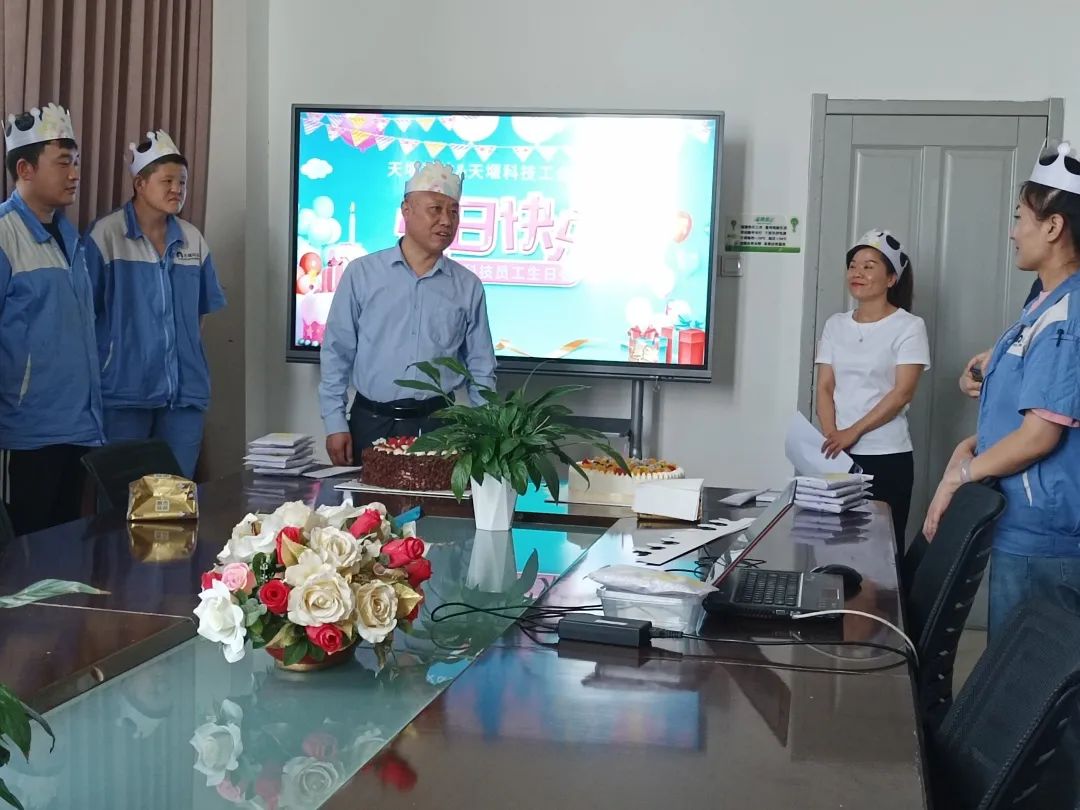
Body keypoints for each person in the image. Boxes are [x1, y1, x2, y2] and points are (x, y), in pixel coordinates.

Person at [924, 140, 1080, 636]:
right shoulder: (1043, 305)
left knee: (1025, 676)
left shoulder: (1065, 316)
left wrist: (960, 476)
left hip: (1043, 537)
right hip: (1023, 525)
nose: (1013, 232)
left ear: (1052, 227)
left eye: (1020, 218)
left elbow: (1040, 436)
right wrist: (972, 436)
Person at [319, 160, 496, 465]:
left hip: (440, 427)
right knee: (367, 497)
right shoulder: (362, 274)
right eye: (435, 209)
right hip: (370, 422)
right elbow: (337, 352)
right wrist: (335, 422)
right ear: (406, 210)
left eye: (454, 212)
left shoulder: (467, 286)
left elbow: (481, 366)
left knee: (440, 497)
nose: (446, 221)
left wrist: (485, 431)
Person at [83, 130, 226, 479]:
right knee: (122, 499)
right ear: (140, 183)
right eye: (167, 181)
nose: (177, 189)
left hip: (184, 397)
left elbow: (199, 314)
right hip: (123, 394)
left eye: (183, 182)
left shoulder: (192, 239)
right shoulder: (106, 236)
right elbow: (84, 314)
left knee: (175, 497)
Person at [0, 103, 104, 535]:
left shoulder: (72, 237)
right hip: (25, 433)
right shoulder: (5, 236)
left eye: (76, 162)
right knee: (22, 553)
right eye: (63, 163)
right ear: (24, 169)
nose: (75, 174)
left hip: (77, 427)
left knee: (64, 547)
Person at [815, 229, 931, 550]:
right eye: (853, 265)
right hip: (838, 455)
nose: (857, 273)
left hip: (887, 455)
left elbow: (902, 393)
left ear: (891, 278)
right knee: (835, 545)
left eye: (869, 266)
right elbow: (825, 386)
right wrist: (832, 435)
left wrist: (852, 432)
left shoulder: (909, 326)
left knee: (880, 550)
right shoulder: (835, 324)